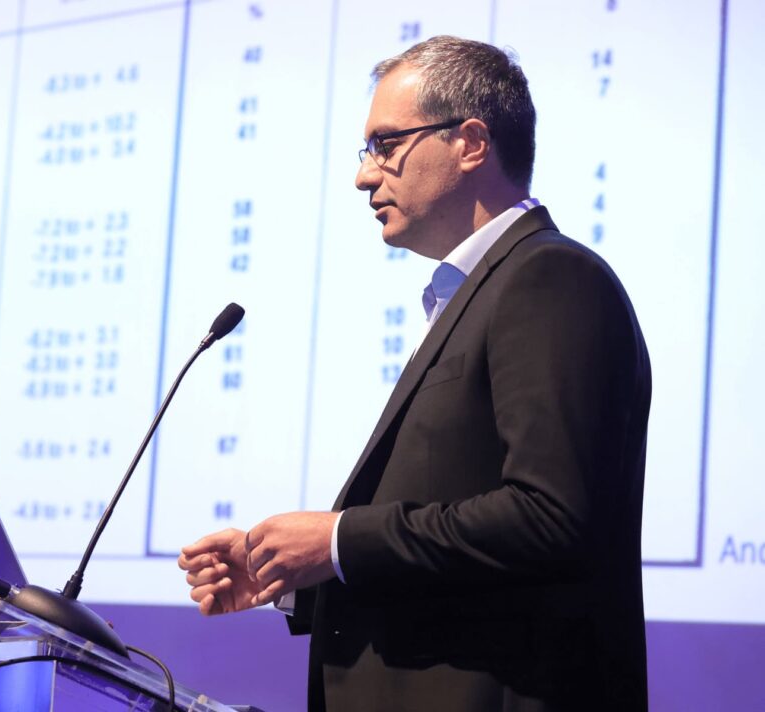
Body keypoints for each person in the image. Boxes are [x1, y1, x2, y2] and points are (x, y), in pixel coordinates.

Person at [179, 36, 650, 712]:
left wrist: (336, 541)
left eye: (386, 144)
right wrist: (291, 570)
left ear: (471, 143)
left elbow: (551, 519)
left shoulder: (549, 277)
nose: (364, 176)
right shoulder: (479, 292)